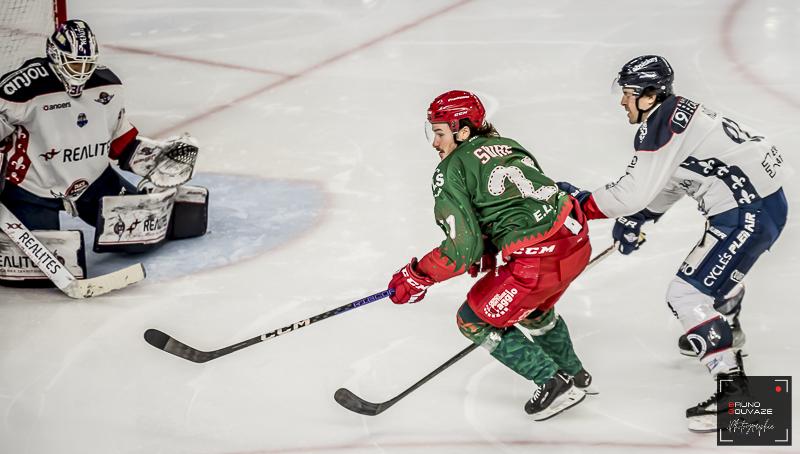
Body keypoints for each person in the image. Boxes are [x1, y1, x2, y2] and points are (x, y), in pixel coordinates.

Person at [558, 55, 788, 431]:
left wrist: (582, 205)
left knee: (686, 294)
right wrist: (641, 218)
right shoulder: (676, 115)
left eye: (629, 93)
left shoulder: (660, 126)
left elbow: (632, 193)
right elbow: (677, 178)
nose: (623, 101)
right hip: (761, 205)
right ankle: (727, 328)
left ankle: (735, 394)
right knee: (713, 276)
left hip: (748, 213)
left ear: (650, 95)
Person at [388, 90, 596, 420]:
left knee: (472, 319)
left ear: (463, 130)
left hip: (537, 260)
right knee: (535, 310)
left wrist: (417, 276)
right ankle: (574, 373)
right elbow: (521, 204)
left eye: (440, 133)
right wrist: (489, 244)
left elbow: (461, 249)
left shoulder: (451, 168)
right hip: (576, 244)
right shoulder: (509, 145)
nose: (435, 143)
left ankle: (553, 383)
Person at [0, 19, 208, 286]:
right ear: (55, 56)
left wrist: (153, 159)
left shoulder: (107, 86)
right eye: (75, 64)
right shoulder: (20, 90)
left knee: (139, 239)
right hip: (34, 190)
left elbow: (119, 139)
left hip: (94, 182)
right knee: (36, 274)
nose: (82, 72)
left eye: (88, 65)